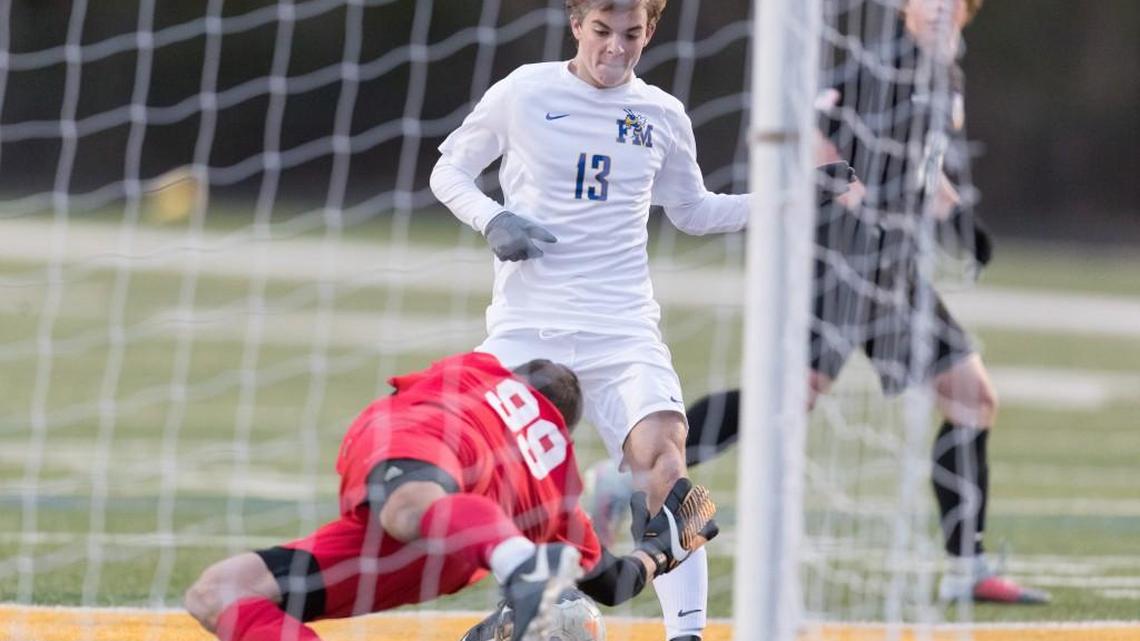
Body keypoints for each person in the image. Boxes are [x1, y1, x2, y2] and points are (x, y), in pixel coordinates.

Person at [611, 0, 1051, 606]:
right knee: (784, 399)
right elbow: (814, 132)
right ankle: (626, 481)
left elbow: (920, 169)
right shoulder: (882, 64)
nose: (944, 9)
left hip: (895, 276)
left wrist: (959, 218)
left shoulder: (944, 74)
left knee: (973, 399)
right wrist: (855, 205)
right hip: (843, 269)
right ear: (902, 6)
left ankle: (966, 568)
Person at [429, 1, 750, 639]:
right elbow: (449, 171)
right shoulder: (524, 91)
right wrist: (492, 219)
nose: (616, 49)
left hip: (624, 328)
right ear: (577, 25)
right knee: (505, 480)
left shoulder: (661, 113)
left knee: (665, 466)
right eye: (602, 32)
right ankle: (522, 615)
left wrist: (789, 199)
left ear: (650, 30)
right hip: (528, 325)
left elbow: (694, 210)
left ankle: (686, 634)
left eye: (632, 35)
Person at [183, 352, 719, 641]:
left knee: (409, 505)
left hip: (435, 463)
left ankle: (517, 567)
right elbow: (612, 583)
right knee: (218, 593)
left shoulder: (481, 374)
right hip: (455, 547)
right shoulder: (558, 490)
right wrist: (662, 551)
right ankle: (516, 563)